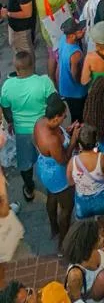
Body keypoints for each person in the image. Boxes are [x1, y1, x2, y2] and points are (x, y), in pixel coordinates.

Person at [0, 49, 54, 201]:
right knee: (49, 158)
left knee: (25, 163)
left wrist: (11, 121)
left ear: (16, 69)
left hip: (22, 131)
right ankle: (52, 185)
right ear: (33, 64)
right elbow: (54, 103)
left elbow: (5, 107)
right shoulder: (44, 82)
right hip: (43, 129)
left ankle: (29, 187)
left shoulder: (8, 85)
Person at [33, 93, 78, 242]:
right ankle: (63, 243)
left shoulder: (40, 122)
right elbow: (64, 160)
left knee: (52, 196)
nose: (65, 119)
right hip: (58, 175)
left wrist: (68, 132)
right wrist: (73, 141)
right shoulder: (51, 139)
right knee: (66, 207)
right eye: (64, 117)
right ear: (56, 117)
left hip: (44, 168)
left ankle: (54, 228)